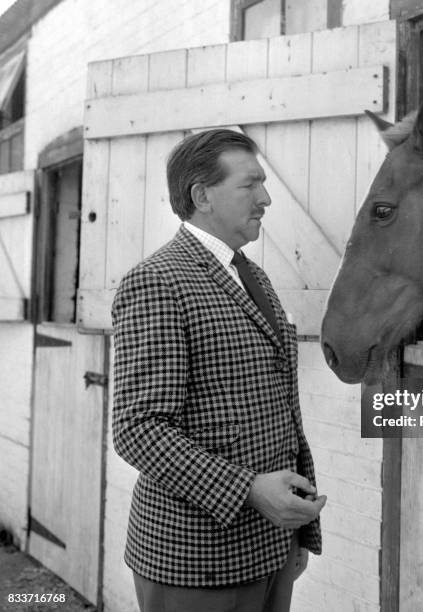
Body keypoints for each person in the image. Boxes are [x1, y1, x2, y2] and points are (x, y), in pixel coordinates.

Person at [112, 129, 326, 612]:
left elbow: (275, 410)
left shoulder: (254, 276)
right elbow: (137, 429)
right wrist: (249, 490)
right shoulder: (157, 281)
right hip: (196, 563)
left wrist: (293, 535)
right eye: (249, 185)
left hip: (269, 547)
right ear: (202, 195)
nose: (266, 198)